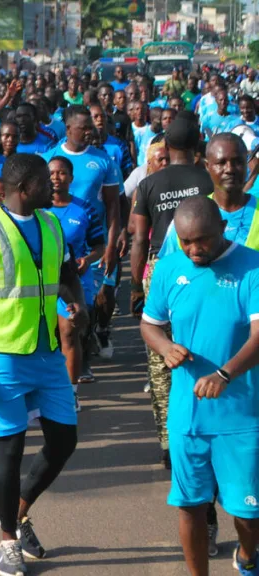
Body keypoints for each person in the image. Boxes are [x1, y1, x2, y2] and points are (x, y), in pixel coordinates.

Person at [0, 154, 84, 575]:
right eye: (46, 182)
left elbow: (66, 272)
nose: (54, 188)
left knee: (64, 441)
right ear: (24, 189)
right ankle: (8, 541)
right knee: (11, 447)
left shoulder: (52, 224)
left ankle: (16, 510)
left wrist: (76, 300)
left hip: (45, 353)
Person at [140, 196, 259, 576]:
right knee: (189, 505)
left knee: (247, 513)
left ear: (223, 229)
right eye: (186, 241)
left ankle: (247, 555)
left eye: (202, 241)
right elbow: (150, 323)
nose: (194, 250)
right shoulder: (169, 268)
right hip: (187, 416)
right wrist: (165, 347)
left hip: (241, 417)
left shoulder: (252, 267)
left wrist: (224, 374)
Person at [130, 117, 212, 470]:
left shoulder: (149, 184)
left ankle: (168, 439)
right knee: (203, 347)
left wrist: (135, 285)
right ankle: (205, 429)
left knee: (160, 355)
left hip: (159, 270)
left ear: (166, 145)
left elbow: (139, 239)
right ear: (198, 144)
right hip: (202, 267)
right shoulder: (208, 180)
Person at [48, 157, 105, 405]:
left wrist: (87, 259)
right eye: (51, 173)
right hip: (43, 283)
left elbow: (99, 246)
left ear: (71, 178)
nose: (56, 178)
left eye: (62, 173)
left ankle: (71, 394)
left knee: (69, 335)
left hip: (75, 282)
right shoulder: (37, 210)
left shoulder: (85, 209)